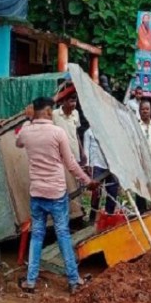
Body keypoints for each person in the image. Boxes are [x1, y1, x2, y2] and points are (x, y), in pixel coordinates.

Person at [16, 97, 98, 294]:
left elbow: (18, 142)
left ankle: (30, 281)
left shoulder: (26, 131)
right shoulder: (57, 132)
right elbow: (70, 164)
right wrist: (88, 181)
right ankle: (73, 280)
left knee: (37, 236)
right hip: (56, 193)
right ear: (48, 112)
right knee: (63, 235)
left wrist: (28, 120)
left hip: (37, 192)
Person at [53, 90, 85, 218]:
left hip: (74, 154)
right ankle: (63, 214)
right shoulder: (55, 115)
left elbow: (76, 134)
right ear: (63, 101)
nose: (73, 103)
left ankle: (78, 212)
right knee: (62, 184)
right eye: (71, 100)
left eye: (75, 100)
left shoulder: (76, 114)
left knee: (77, 184)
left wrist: (82, 152)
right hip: (60, 156)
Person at [83, 122, 119, 219]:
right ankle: (92, 217)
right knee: (96, 192)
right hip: (97, 164)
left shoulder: (111, 131)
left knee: (112, 190)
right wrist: (87, 165)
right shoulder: (89, 132)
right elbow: (86, 149)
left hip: (112, 166)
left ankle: (109, 216)